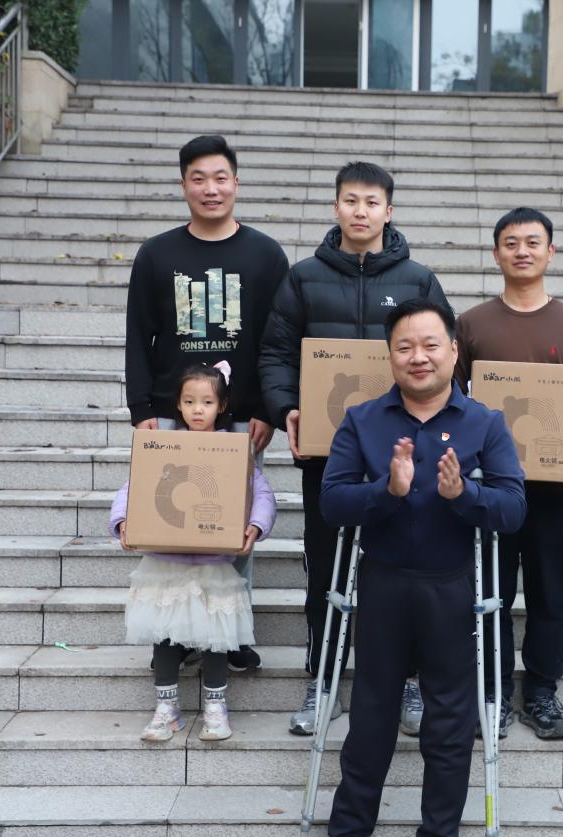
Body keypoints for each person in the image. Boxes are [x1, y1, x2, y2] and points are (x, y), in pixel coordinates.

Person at [320, 298, 526, 837]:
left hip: (451, 588)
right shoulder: (363, 420)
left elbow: (513, 508)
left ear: (454, 351)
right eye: (405, 347)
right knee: (371, 718)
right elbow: (332, 502)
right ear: (389, 355)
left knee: (450, 723)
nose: (419, 357)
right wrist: (386, 491)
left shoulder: (485, 423)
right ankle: (350, 827)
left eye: (431, 345)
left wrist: (464, 495)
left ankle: (439, 830)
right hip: (383, 583)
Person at [258, 161, 451, 736]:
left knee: (409, 570)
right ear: (336, 206)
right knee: (326, 571)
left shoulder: (418, 280)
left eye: (371, 202)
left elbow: (442, 355)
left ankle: (410, 683)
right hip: (332, 455)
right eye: (350, 200)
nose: (360, 211)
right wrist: (285, 409)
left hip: (406, 453)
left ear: (389, 211)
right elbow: (276, 353)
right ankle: (323, 682)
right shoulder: (302, 278)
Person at [124, 134, 288, 673]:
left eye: (220, 178)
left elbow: (277, 340)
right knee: (170, 521)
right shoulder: (157, 254)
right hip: (171, 414)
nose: (210, 189)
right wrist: (141, 410)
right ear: (183, 186)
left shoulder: (265, 255)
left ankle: (230, 632)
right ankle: (174, 632)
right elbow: (138, 336)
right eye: (199, 179)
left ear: (236, 182)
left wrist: (265, 408)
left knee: (232, 524)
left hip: (239, 418)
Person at [454, 207, 563, 740]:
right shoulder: (472, 324)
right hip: (491, 488)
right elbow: (453, 399)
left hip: (554, 488)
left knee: (549, 592)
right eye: (512, 242)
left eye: (533, 242)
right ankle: (492, 692)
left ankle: (541, 691)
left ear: (551, 252)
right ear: (496, 253)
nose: (522, 251)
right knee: (490, 592)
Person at [110, 363, 276, 742]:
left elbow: (261, 491)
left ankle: (215, 707)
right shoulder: (164, 446)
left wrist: (256, 524)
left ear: (222, 406)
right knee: (165, 633)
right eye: (189, 402)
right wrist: (123, 520)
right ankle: (166, 708)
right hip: (165, 562)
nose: (197, 409)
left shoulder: (234, 449)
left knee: (215, 635)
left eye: (206, 402)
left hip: (213, 564)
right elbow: (135, 485)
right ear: (178, 405)